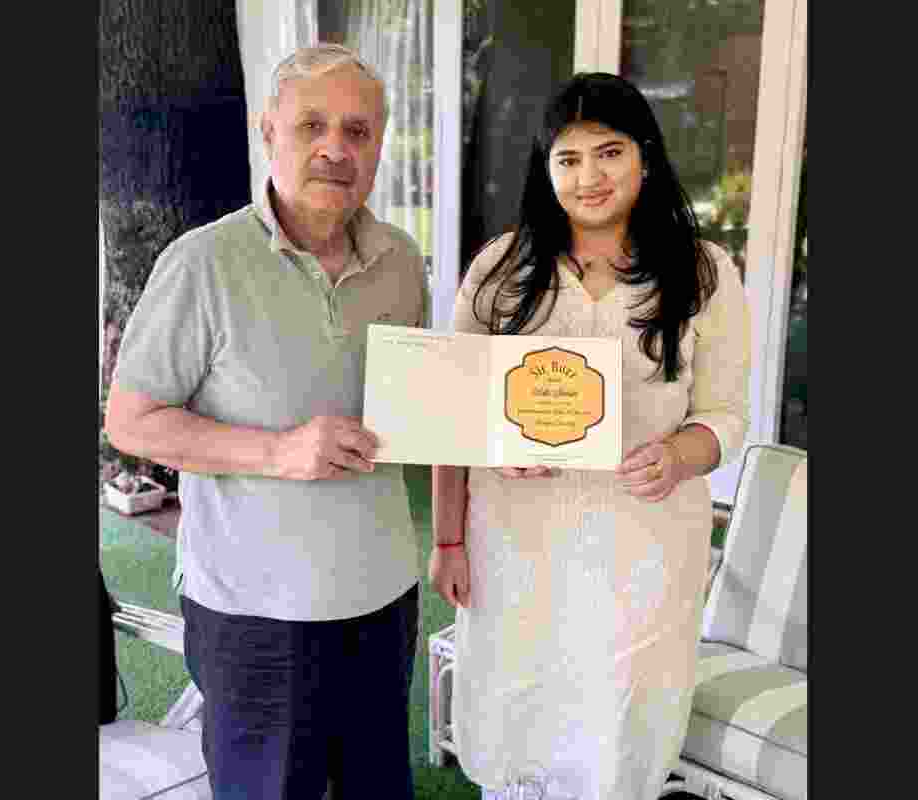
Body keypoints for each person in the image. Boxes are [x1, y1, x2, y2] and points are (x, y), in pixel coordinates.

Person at [105, 43, 429, 800]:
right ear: (268, 131)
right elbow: (131, 420)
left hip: (382, 596)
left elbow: (416, 405)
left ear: (378, 145)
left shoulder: (401, 261)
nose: (335, 148)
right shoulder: (202, 263)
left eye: (358, 131)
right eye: (312, 124)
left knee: (377, 787)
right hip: (257, 611)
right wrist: (280, 450)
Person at [429, 72, 751, 800]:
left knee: (616, 726)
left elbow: (726, 416)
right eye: (567, 159)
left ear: (645, 156)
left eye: (608, 153)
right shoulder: (500, 271)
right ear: (546, 171)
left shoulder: (703, 274)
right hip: (514, 545)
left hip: (642, 549)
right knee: (519, 707)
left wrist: (678, 456)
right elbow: (450, 409)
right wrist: (449, 537)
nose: (588, 177)